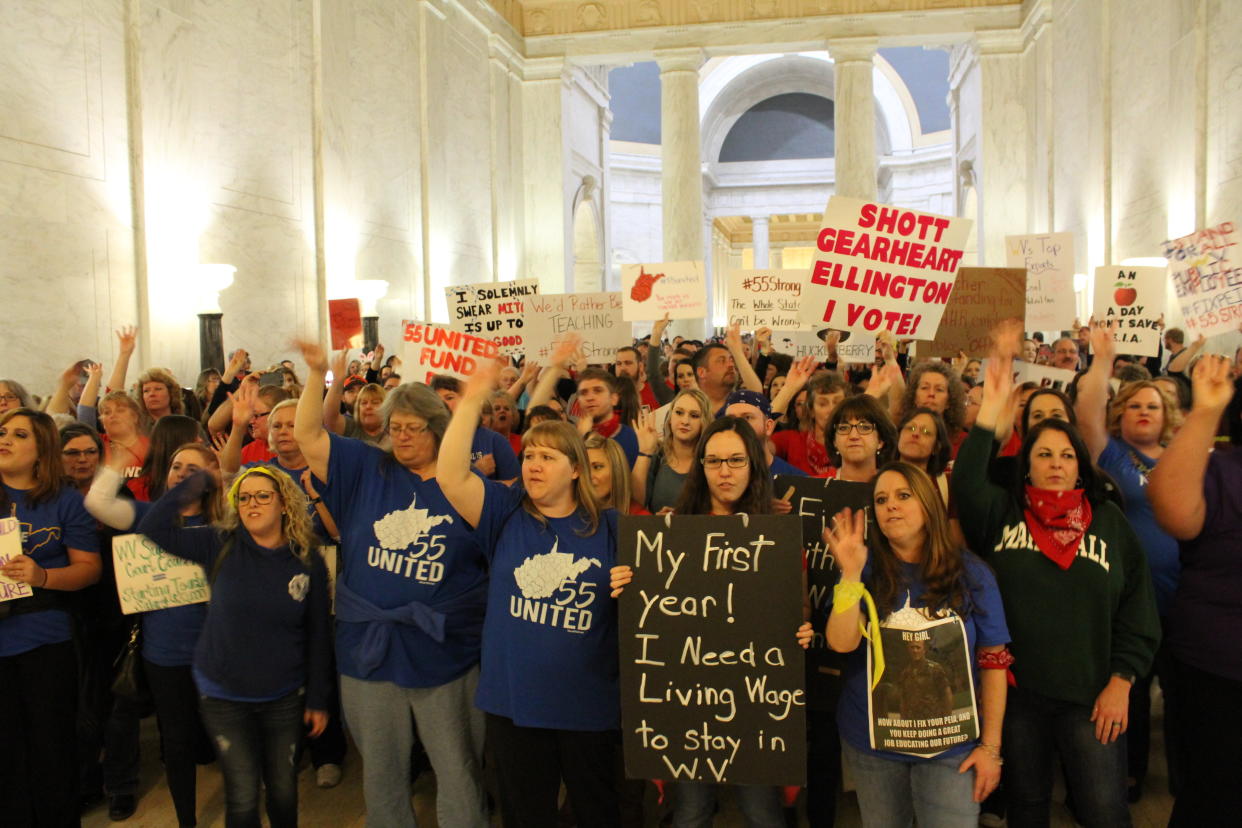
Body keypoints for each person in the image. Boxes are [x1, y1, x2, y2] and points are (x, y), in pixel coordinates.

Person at [952, 334, 1159, 828]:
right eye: (1044, 455)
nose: (1056, 465)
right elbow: (965, 483)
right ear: (1028, 465)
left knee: (1104, 809)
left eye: (1066, 456)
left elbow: (1137, 607)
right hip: (1019, 694)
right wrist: (991, 415)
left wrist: (1122, 680)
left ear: (1080, 465)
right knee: (1027, 803)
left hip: (1092, 695)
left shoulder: (1108, 522)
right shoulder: (1004, 513)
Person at [294, 342, 490, 827]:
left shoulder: (460, 485)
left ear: (438, 429)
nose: (401, 437)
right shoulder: (366, 467)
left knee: (457, 766)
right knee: (381, 771)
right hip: (369, 650)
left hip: (444, 652)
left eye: (413, 428)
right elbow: (307, 434)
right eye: (395, 427)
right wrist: (318, 373)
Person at [436, 355, 623, 828]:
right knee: (525, 815)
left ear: (576, 469)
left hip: (590, 707)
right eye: (529, 455)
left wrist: (632, 586)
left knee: (597, 813)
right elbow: (450, 477)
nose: (534, 464)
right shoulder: (504, 511)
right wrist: (473, 398)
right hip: (515, 705)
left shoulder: (612, 528)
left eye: (548, 457)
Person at [613, 416, 813, 828]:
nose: (725, 471)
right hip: (687, 705)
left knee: (763, 812)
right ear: (700, 467)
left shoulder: (777, 535)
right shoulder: (671, 533)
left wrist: (804, 629)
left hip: (755, 702)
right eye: (714, 461)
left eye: (736, 460)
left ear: (755, 465)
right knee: (691, 811)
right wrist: (626, 583)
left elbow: (798, 609)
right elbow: (647, 610)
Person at [137, 465, 331, 828]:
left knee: (283, 793)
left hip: (284, 695)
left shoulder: (307, 560)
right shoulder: (218, 543)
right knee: (242, 797)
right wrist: (197, 481)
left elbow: (319, 633)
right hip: (224, 696)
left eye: (262, 496)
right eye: (243, 497)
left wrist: (318, 698)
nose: (251, 503)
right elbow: (152, 528)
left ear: (284, 504)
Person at [824, 462, 1008, 827]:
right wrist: (849, 573)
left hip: (951, 748)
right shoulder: (864, 566)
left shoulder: (973, 574)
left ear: (927, 503)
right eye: (881, 499)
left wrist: (991, 748)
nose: (890, 505)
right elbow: (841, 644)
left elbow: (994, 662)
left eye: (903, 496)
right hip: (873, 744)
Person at [1076, 322, 1185, 801]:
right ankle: (1129, 774)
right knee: (1131, 693)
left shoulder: (1186, 456)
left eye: (1153, 406)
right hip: (1126, 600)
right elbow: (1084, 413)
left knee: (1182, 697)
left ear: (1168, 416)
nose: (1144, 412)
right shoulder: (1111, 454)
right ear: (1121, 414)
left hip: (1183, 598)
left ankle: (1187, 780)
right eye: (1135, 405)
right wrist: (1102, 361)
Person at [86, 443, 223, 827]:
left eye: (192, 469)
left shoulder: (224, 523)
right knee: (176, 741)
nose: (181, 473)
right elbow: (98, 502)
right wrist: (119, 454)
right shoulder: (147, 515)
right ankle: (186, 820)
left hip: (216, 650)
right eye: (177, 466)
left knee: (227, 733)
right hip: (165, 653)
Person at [1147, 354, 1242, 824]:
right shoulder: (1221, 469)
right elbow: (1172, 509)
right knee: (1216, 797)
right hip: (1220, 672)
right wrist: (1205, 410)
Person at [0, 408, 102, 826]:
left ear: (41, 449)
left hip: (46, 639)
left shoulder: (65, 500)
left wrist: (43, 575)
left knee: (52, 747)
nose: (4, 438)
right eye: (2, 431)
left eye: (19, 434)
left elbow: (89, 569)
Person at [631, 388, 713, 513]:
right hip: (659, 532)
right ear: (669, 419)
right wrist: (644, 451)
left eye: (694, 415)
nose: (685, 421)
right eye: (679, 413)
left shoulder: (712, 460)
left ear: (704, 422)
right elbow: (636, 504)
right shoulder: (656, 456)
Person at [773, 374, 849, 476]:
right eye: (823, 404)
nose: (832, 410)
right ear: (811, 410)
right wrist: (788, 390)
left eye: (838, 403)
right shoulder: (790, 441)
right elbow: (754, 445)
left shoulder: (855, 445)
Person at [826, 395, 898, 483]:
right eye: (844, 428)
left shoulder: (895, 486)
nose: (853, 436)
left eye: (865, 428)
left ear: (880, 440)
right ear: (834, 441)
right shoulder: (814, 487)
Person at [585, 433, 647, 514]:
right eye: (584, 468)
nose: (588, 476)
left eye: (597, 467)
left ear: (616, 470)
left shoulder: (639, 517)